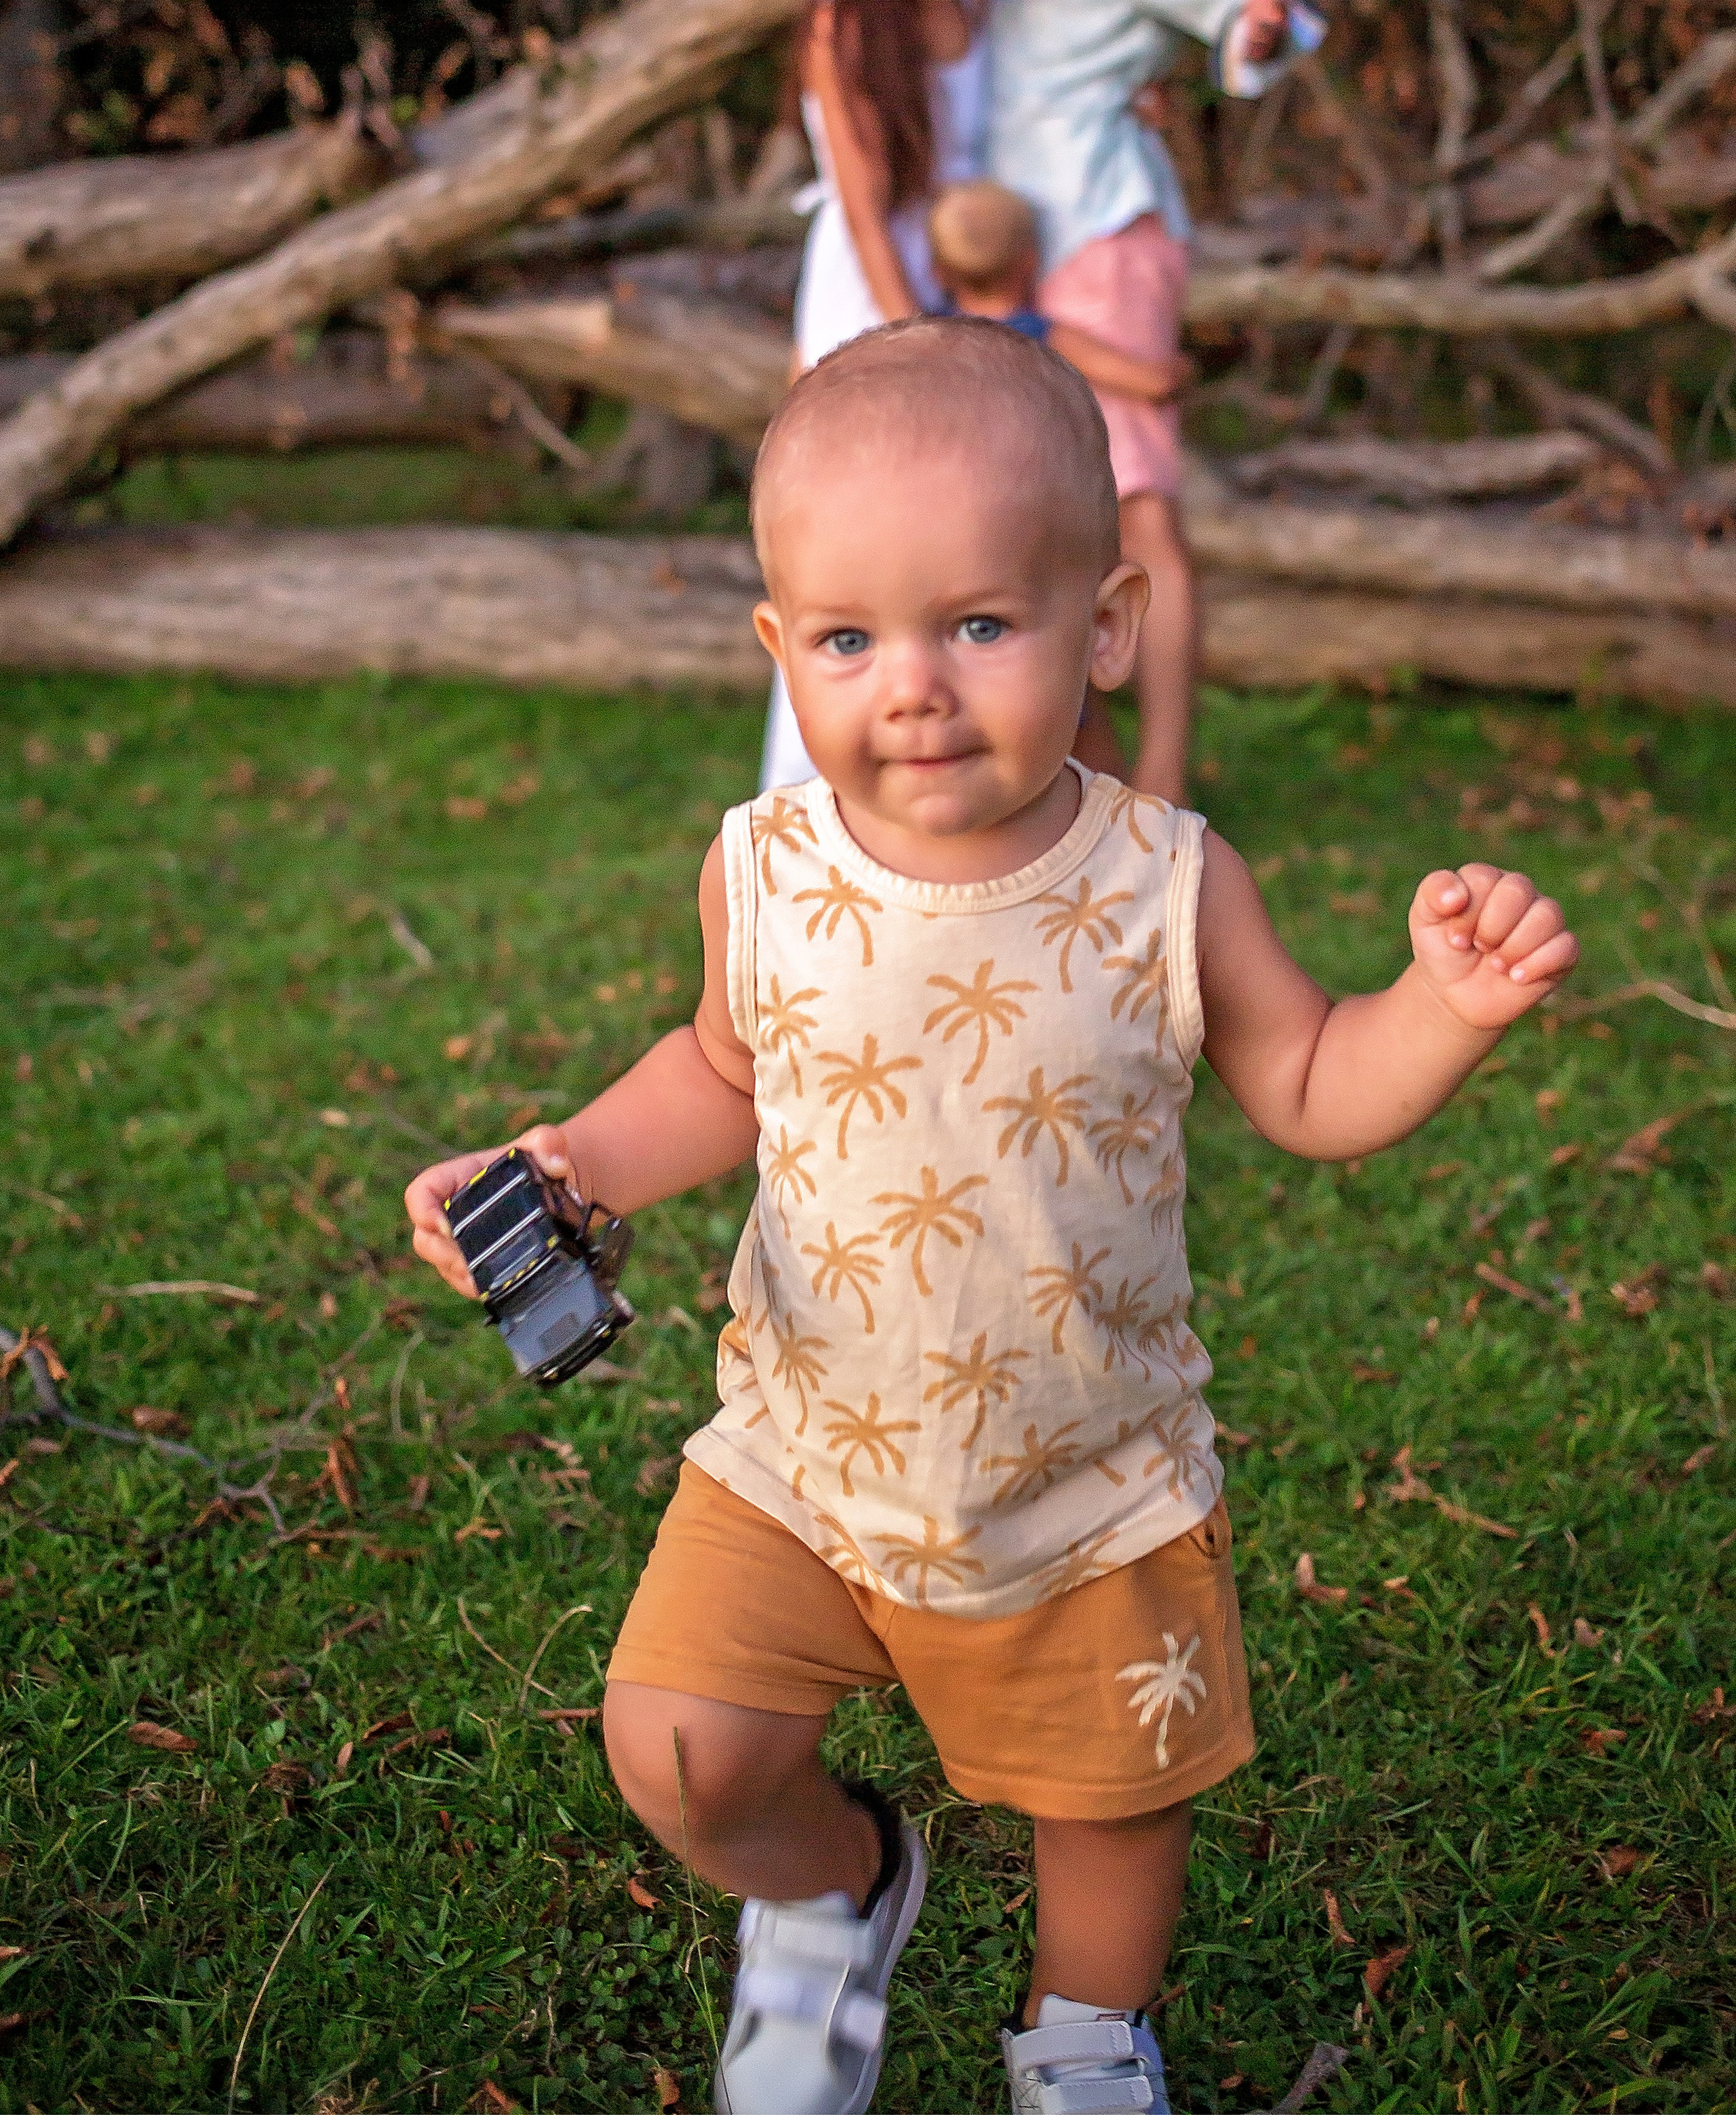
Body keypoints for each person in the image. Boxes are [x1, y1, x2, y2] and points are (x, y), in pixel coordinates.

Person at [406, 317, 1578, 2115]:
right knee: (685, 1751)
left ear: (1104, 625)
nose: (916, 689)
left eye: (978, 625)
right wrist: (567, 1166)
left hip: (1086, 1483)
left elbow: (1314, 1080)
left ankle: (1087, 2041)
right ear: (779, 650)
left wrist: (1446, 1011)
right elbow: (723, 1072)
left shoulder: (1165, 884)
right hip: (806, 1450)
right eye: (854, 639)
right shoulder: (765, 872)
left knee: (1110, 1816)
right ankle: (832, 1890)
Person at [980, 0, 1324, 806]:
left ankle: (1167, 792)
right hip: (1031, 238)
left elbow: (1242, 8)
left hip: (1104, 229)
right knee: (1053, 511)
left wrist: (1259, 33)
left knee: (1141, 516)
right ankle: (1089, 774)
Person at [760, 0, 1000, 793]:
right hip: (872, 296)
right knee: (854, 552)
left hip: (967, 280)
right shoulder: (845, 21)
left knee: (965, 537)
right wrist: (916, 341)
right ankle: (815, 780)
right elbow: (864, 213)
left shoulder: (978, 6)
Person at [928, 178, 1192, 416]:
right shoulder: (1033, 334)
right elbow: (1155, 385)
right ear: (1030, 261)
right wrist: (1185, 370)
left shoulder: (928, 332)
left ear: (937, 272)